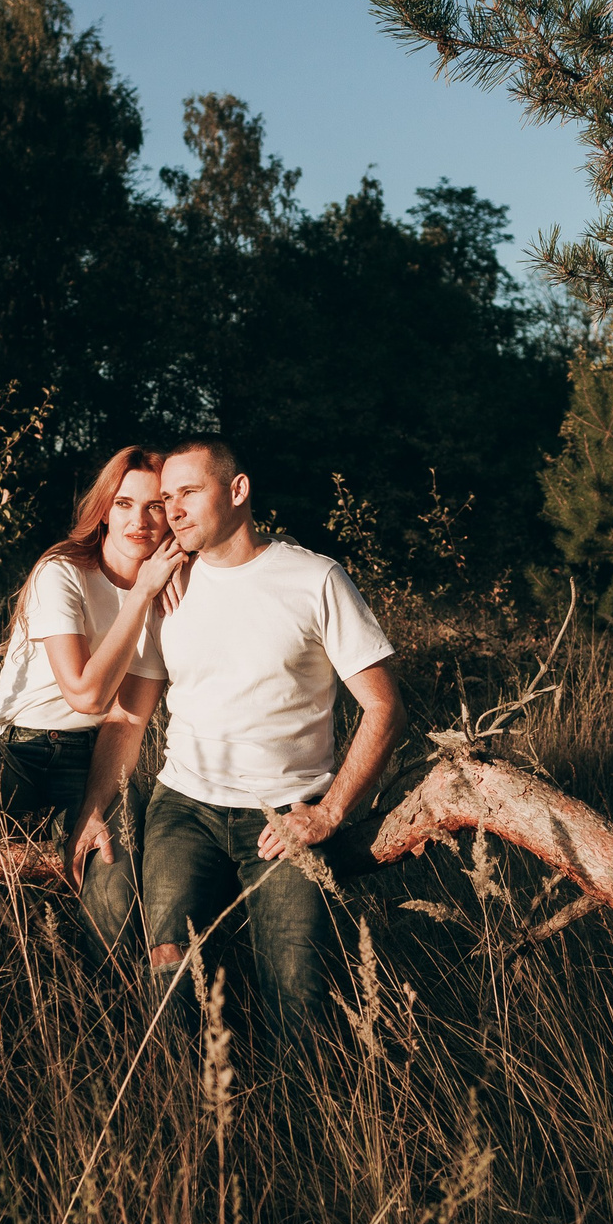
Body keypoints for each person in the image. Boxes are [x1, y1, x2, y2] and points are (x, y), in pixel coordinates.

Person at [136, 436, 404, 1035]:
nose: (172, 510)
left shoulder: (314, 579)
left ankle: (301, 1125)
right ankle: (187, 1117)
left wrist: (330, 811)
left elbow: (384, 708)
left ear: (237, 490)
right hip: (184, 807)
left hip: (284, 814)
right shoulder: (166, 583)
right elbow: (130, 714)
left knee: (298, 1000)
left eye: (188, 492)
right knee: (169, 976)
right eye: (165, 497)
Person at [0, 446, 182, 988]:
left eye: (156, 506)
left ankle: (97, 994)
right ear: (104, 509)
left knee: (119, 846)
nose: (139, 521)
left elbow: (124, 722)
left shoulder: (167, 601)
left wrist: (96, 807)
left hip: (91, 763)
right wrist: (141, 594)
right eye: (125, 503)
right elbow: (87, 693)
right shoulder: (64, 572)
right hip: (13, 756)